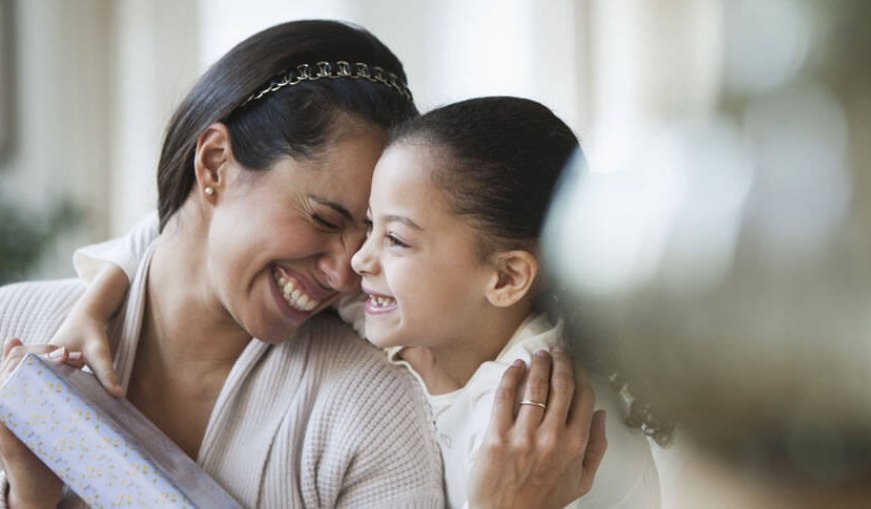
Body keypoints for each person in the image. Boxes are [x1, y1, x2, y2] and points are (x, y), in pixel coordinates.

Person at [0, 21, 603, 508]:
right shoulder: (14, 325)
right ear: (214, 165)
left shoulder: (372, 408)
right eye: (323, 218)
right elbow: (163, 237)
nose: (349, 272)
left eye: (379, 233)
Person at [63, 97, 658, 507]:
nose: (356, 260)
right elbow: (189, 233)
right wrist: (97, 299)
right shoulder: (401, 313)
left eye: (394, 238)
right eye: (367, 225)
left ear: (505, 279)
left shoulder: (544, 431)